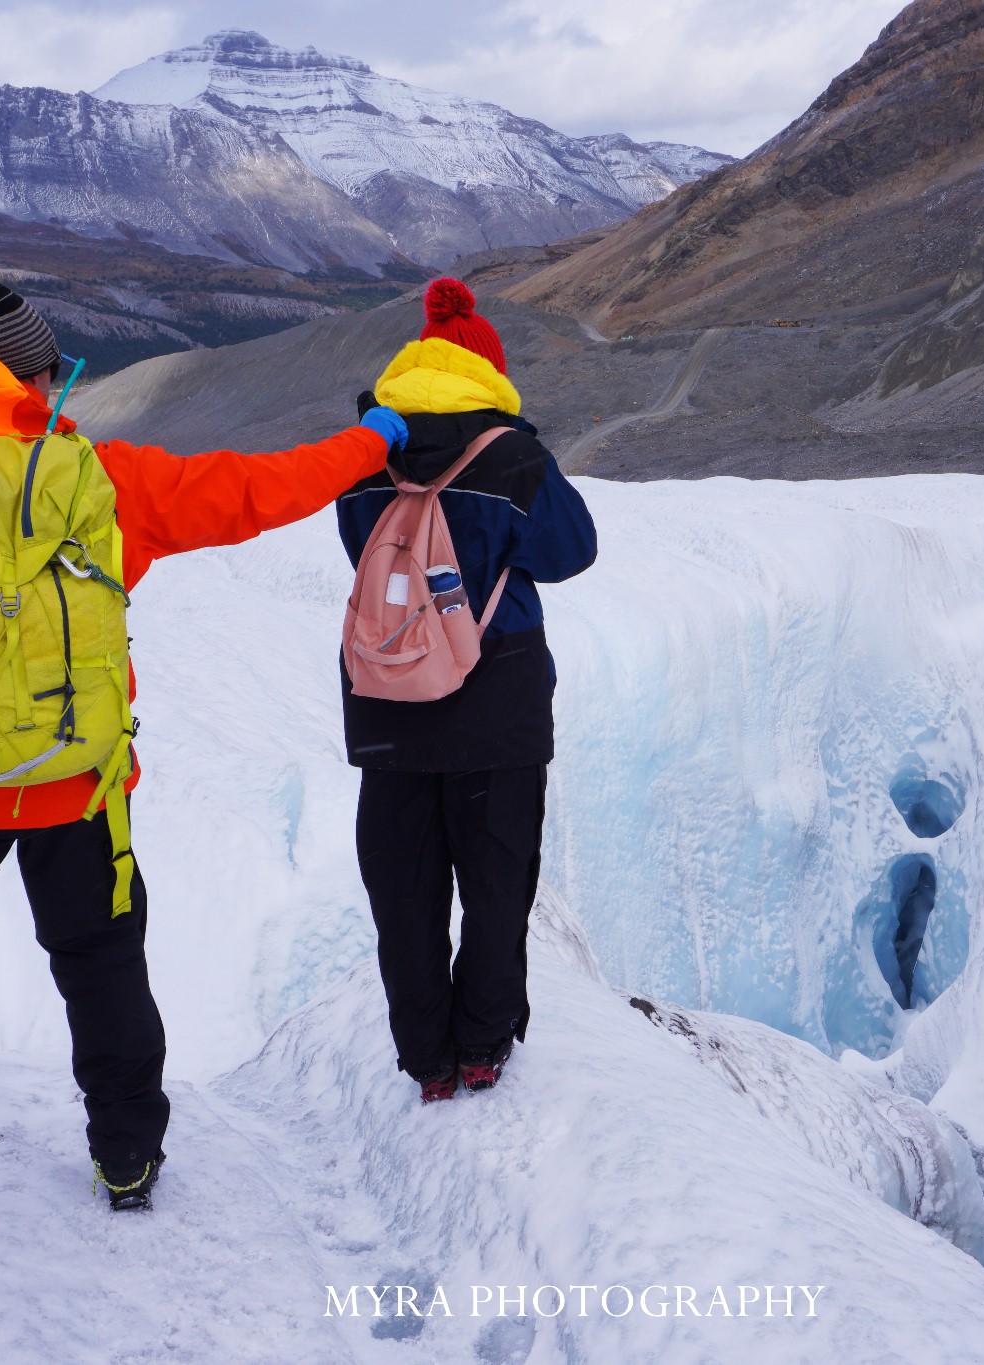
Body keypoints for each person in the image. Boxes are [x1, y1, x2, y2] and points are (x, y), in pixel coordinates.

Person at [0, 275, 408, 1318]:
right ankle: (126, 1158)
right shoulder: (101, 478)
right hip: (80, 789)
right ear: (37, 374)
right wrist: (373, 441)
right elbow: (262, 490)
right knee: (103, 969)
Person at [337, 277, 597, 1104]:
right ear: (486, 370)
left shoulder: (366, 451)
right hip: (498, 701)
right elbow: (571, 549)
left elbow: (357, 540)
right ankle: (482, 1046)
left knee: (404, 888)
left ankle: (428, 1060)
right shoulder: (512, 454)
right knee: (494, 883)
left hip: (390, 698)